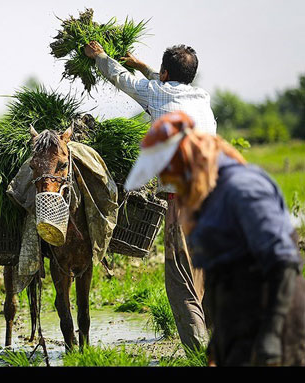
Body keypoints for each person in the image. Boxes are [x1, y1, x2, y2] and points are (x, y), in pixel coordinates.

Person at [124, 111, 305, 366]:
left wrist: (271, 338)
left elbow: (284, 265)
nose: (165, 182)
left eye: (167, 173)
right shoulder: (205, 202)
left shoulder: (242, 189)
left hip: (276, 327)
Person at [84, 42, 216, 350]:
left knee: (180, 279)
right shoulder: (202, 98)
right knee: (206, 274)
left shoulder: (156, 93)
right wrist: (141, 64)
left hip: (181, 201)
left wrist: (100, 56)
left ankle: (199, 354)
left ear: (166, 72)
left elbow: (122, 79)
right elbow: (165, 81)